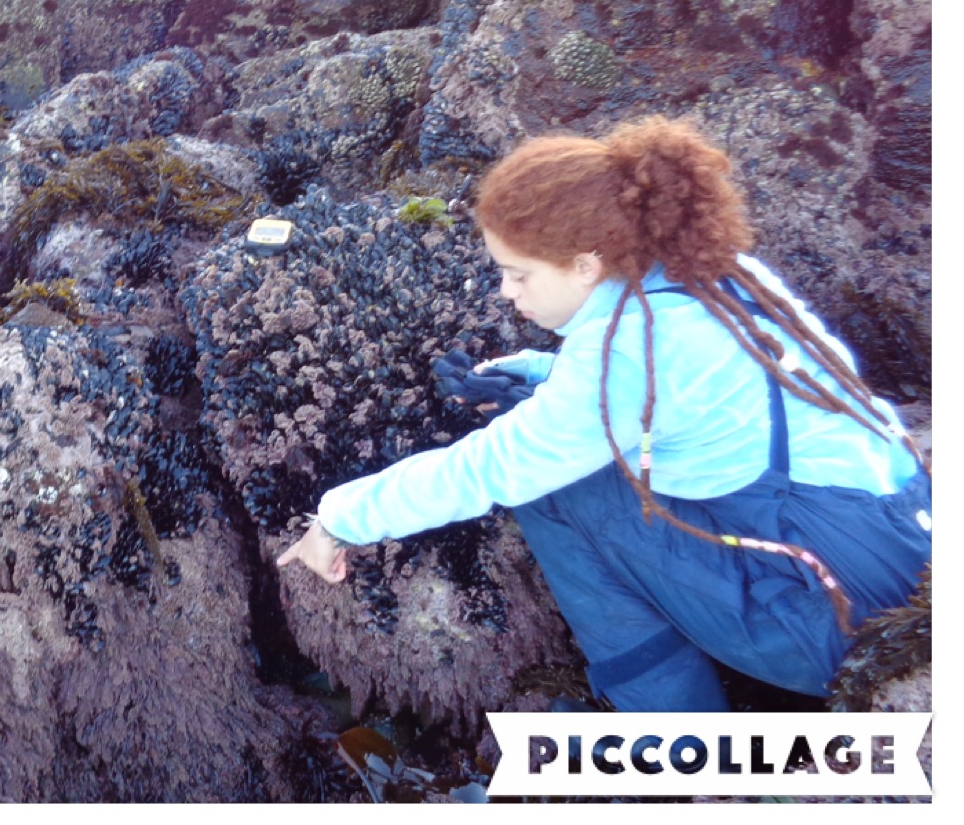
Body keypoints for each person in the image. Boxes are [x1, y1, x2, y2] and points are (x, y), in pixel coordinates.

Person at [275, 118, 931, 712]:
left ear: (587, 264)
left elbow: (491, 469)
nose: (506, 291)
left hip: (842, 621)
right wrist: (536, 374)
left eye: (519, 274)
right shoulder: (714, 274)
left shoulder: (621, 354)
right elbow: (678, 388)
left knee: (559, 487)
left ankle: (680, 746)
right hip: (899, 542)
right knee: (586, 468)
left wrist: (337, 520)